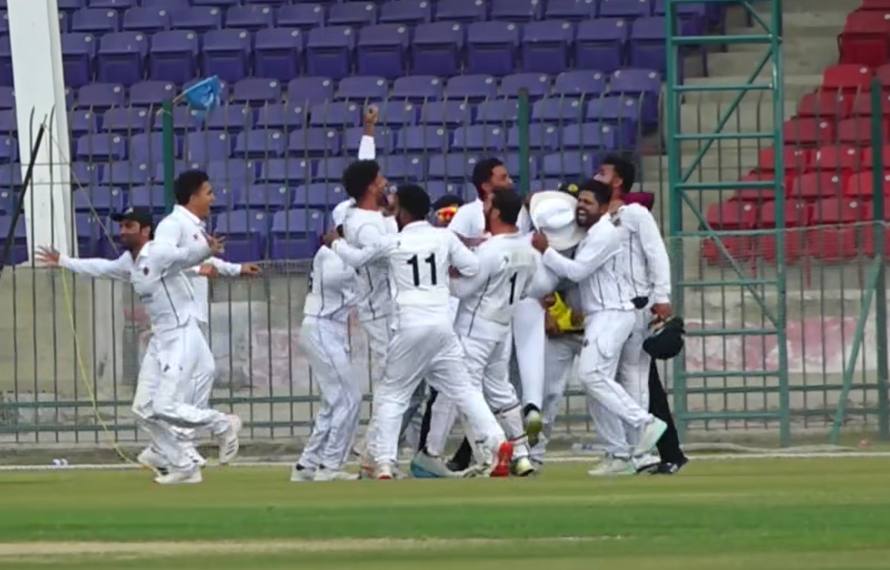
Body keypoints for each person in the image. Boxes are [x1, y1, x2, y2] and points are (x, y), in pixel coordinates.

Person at [37, 207, 242, 484]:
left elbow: (185, 257)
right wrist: (63, 261)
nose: (123, 231)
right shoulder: (128, 261)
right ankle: (184, 465)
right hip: (160, 340)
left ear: (145, 230)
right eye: (121, 226)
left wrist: (207, 249)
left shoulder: (158, 252)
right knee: (143, 410)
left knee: (165, 405)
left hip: (182, 334)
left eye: (129, 226)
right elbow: (101, 268)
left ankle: (224, 424)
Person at [325, 184, 513, 479]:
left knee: (393, 394)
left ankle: (384, 462)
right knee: (464, 390)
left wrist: (335, 243)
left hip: (409, 326)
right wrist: (444, 269)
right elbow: (472, 267)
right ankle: (498, 441)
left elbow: (358, 260)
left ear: (402, 210)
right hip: (441, 326)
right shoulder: (444, 237)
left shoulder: (394, 242)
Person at [415, 190, 557, 478]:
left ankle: (446, 452)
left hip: (475, 327)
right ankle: (521, 454)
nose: (484, 209)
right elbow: (529, 290)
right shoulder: (528, 251)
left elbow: (464, 290)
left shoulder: (489, 251)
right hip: (502, 328)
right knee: (500, 389)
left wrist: (442, 277)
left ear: (495, 212)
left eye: (488, 205)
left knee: (456, 388)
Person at [531, 181, 667, 472]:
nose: (581, 206)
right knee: (595, 385)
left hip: (613, 313)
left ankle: (645, 423)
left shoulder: (604, 233)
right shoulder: (588, 234)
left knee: (591, 375)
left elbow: (578, 271)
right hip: (599, 315)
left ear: (604, 207)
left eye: (588, 202)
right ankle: (619, 454)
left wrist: (546, 251)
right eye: (579, 201)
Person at [141, 169, 260, 474]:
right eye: (208, 192)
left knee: (203, 372)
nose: (213, 198)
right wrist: (197, 269)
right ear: (193, 196)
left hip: (192, 315)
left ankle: (173, 446)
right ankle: (182, 444)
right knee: (187, 382)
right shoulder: (172, 225)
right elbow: (162, 260)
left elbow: (202, 259)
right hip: (179, 317)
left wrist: (235, 269)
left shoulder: (194, 227)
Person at [585, 157, 674, 475]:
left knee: (634, 376)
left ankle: (640, 451)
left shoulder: (634, 213)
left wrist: (662, 296)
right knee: (601, 379)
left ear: (619, 180)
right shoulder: (595, 218)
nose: (596, 175)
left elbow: (656, 253)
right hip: (606, 307)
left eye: (603, 172)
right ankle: (619, 450)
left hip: (638, 305)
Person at [290, 207, 362, 483]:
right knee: (348, 398)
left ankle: (307, 464)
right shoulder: (330, 252)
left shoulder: (345, 252)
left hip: (330, 329)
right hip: (321, 327)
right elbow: (335, 279)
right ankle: (330, 465)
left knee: (333, 402)